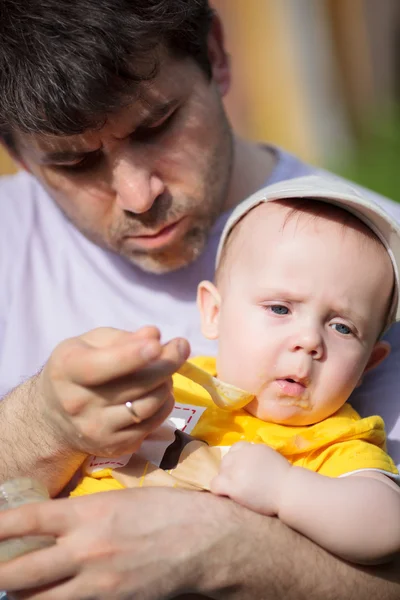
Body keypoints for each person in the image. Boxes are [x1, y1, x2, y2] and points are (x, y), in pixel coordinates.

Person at [0, 0, 399, 597]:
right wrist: (42, 427)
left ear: (214, 53)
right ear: (15, 153)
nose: (138, 195)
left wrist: (232, 552)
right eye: (75, 161)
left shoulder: (376, 270)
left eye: (157, 125)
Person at [70, 175, 400, 566]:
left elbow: (385, 526)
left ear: (368, 364)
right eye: (281, 308)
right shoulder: (169, 382)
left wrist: (285, 489)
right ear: (214, 312)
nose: (310, 339)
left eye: (342, 327)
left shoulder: (332, 443)